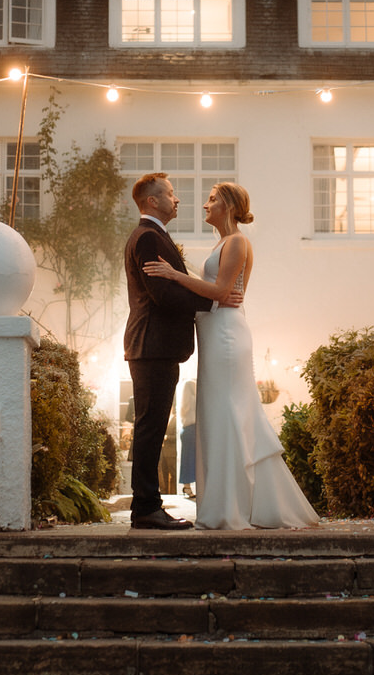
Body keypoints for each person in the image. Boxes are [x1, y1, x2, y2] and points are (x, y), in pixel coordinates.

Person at [144, 181, 319, 530]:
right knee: (217, 415)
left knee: (229, 413)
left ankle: (233, 507)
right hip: (214, 334)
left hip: (226, 335)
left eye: (211, 200)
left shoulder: (238, 241)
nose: (204, 205)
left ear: (228, 206)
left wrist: (173, 275)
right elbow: (215, 290)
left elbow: (222, 292)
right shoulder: (222, 243)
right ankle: (228, 503)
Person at [122, 172, 236, 531]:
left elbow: (170, 285)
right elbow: (164, 294)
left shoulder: (153, 236)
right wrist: (212, 302)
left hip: (156, 347)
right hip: (151, 345)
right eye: (171, 194)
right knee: (150, 428)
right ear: (152, 201)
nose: (178, 200)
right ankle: (146, 508)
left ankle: (147, 506)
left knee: (152, 426)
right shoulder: (147, 237)